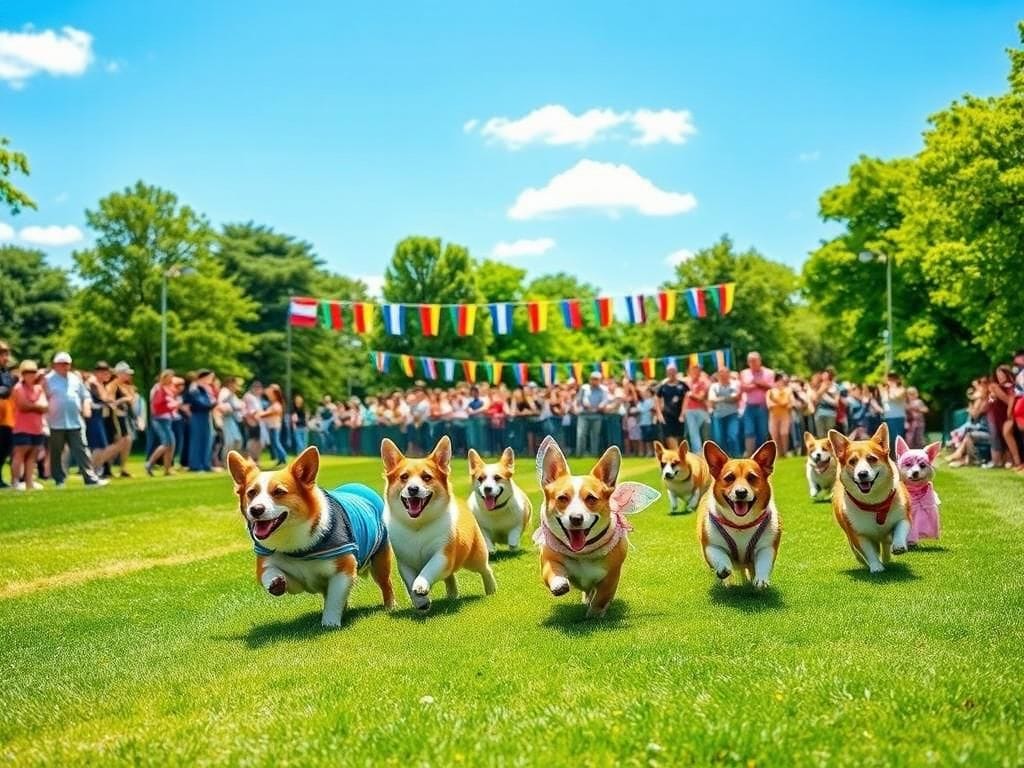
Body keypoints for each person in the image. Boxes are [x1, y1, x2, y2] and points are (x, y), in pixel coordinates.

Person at [43, 351, 107, 487]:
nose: (64, 367)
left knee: (82, 450)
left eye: (67, 364)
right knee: (56, 452)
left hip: (75, 421)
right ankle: (59, 479)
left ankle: (90, 478)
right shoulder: (47, 379)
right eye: (61, 364)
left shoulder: (75, 378)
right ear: (55, 365)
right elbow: (43, 398)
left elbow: (85, 396)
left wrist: (86, 407)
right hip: (55, 422)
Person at [11, 360, 48, 491]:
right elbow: (23, 405)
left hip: (37, 428)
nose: (31, 375)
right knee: (20, 454)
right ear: (22, 374)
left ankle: (29, 483)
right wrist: (37, 406)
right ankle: (15, 482)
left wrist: (33, 406)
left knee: (32, 456)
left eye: (33, 372)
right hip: (22, 427)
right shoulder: (18, 388)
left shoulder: (38, 388)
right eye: (27, 372)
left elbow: (45, 407)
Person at [104, 361, 137, 477]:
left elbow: (132, 400)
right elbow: (110, 402)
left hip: (124, 417)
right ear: (119, 374)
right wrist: (123, 401)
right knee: (118, 442)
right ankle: (106, 468)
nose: (129, 376)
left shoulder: (126, 386)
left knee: (127, 442)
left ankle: (123, 468)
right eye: (126, 373)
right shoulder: (112, 385)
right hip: (116, 417)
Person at [146, 369, 180, 476]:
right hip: (160, 419)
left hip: (167, 419)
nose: (171, 379)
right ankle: (149, 464)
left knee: (171, 444)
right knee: (167, 443)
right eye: (170, 377)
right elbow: (157, 404)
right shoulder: (158, 388)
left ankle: (167, 469)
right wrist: (174, 405)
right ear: (164, 377)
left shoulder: (167, 388)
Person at [739, 352, 773, 453]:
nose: (752, 363)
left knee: (763, 432)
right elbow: (743, 387)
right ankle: (750, 453)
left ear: (760, 360)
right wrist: (758, 385)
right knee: (749, 431)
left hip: (763, 406)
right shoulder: (744, 373)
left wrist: (756, 383)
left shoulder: (769, 373)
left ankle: (762, 455)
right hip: (749, 406)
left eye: (754, 360)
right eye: (750, 361)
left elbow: (770, 387)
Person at [708, 367, 741, 457]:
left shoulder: (734, 385)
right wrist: (727, 398)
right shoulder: (714, 386)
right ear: (718, 376)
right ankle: (724, 458)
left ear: (729, 375)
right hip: (718, 415)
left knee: (732, 436)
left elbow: (735, 398)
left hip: (732, 414)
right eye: (721, 375)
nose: (723, 377)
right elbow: (711, 399)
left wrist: (720, 398)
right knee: (719, 439)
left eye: (725, 374)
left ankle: (736, 455)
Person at [187, 370, 216, 472]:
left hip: (206, 415)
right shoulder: (195, 387)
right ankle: (196, 465)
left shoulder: (206, 388)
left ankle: (205, 463)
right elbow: (199, 402)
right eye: (210, 377)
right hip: (198, 415)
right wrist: (212, 405)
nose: (211, 380)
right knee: (197, 440)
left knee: (207, 439)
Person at [654, 364, 687, 448]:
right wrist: (659, 414)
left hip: (679, 415)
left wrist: (682, 414)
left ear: (676, 372)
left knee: (679, 436)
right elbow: (656, 399)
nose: (671, 374)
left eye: (673, 372)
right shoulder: (663, 386)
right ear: (667, 373)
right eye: (669, 372)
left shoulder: (683, 385)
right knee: (668, 435)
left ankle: (678, 453)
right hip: (667, 415)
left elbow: (687, 399)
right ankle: (674, 452)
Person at [576, 371, 609, 456]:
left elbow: (605, 401)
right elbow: (580, 400)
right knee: (581, 434)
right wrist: (585, 404)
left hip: (597, 415)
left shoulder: (604, 389)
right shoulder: (584, 388)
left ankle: (594, 454)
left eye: (597, 379)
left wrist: (599, 407)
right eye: (593, 379)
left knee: (595, 436)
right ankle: (580, 454)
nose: (595, 381)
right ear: (590, 379)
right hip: (584, 414)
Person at [682, 363, 709, 452]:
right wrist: (682, 412)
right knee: (693, 432)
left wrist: (691, 394)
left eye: (697, 369)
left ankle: (700, 452)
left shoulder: (703, 381)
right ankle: (698, 452)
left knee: (698, 433)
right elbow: (685, 398)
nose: (695, 371)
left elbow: (700, 397)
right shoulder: (687, 382)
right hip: (689, 410)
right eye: (693, 369)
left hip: (701, 410)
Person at [0, 341, 16, 488]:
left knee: (5, 448)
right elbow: (5, 391)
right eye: (3, 354)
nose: (6, 358)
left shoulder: (6, 373)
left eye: (6, 354)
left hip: (6, 418)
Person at [880, 372, 907, 455]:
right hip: (887, 418)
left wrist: (891, 389)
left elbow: (894, 397)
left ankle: (900, 456)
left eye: (893, 379)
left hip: (897, 418)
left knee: (897, 439)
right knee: (889, 440)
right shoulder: (885, 391)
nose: (890, 381)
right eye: (889, 379)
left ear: (897, 380)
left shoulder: (901, 390)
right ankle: (892, 458)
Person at [261, 383, 287, 468]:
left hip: (275, 426)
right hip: (272, 426)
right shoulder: (274, 403)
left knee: (276, 443)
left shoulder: (277, 404)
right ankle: (281, 460)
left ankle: (283, 457)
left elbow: (272, 413)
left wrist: (260, 415)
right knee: (275, 443)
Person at [767, 372, 793, 456]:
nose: (779, 382)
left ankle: (785, 452)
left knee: (784, 433)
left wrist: (781, 403)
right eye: (777, 380)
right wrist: (782, 404)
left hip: (785, 415)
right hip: (774, 416)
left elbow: (790, 404)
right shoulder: (770, 392)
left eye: (781, 380)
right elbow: (770, 405)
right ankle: (778, 453)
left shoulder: (788, 390)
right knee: (775, 435)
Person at [813, 369, 840, 438]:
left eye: (826, 375)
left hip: (831, 413)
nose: (824, 376)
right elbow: (815, 399)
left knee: (830, 435)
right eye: (823, 374)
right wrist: (822, 390)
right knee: (821, 435)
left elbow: (836, 403)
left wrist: (824, 394)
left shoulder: (835, 387)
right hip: (819, 413)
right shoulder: (818, 386)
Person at [243, 381, 265, 461]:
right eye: (258, 389)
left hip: (257, 421)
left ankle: (255, 458)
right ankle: (250, 459)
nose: (260, 391)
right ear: (254, 388)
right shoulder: (248, 396)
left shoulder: (256, 397)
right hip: (252, 422)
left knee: (257, 441)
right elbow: (250, 411)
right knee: (252, 441)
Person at [905, 386, 929, 450]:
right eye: (910, 393)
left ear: (917, 394)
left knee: (919, 438)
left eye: (913, 393)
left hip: (919, 423)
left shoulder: (919, 401)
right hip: (910, 423)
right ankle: (910, 451)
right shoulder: (906, 403)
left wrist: (919, 409)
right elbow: (905, 414)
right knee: (909, 438)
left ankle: (920, 450)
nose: (912, 395)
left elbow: (926, 409)